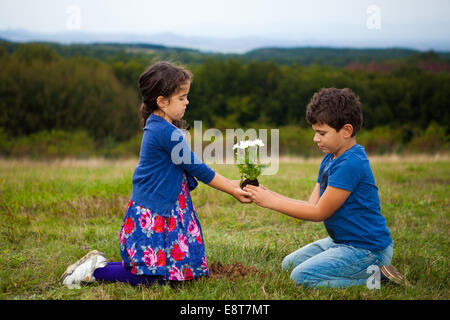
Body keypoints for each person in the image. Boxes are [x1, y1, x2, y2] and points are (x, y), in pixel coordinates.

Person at [60, 61, 251, 289]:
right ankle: (96, 270)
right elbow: (197, 168)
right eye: (182, 98)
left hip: (167, 207)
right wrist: (231, 189)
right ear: (161, 101)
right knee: (151, 278)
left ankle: (105, 267)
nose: (187, 102)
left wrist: (232, 182)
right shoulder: (165, 131)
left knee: (175, 275)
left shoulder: (161, 124)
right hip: (153, 212)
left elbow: (194, 165)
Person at [244, 88, 409, 288]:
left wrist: (271, 202)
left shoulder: (351, 164)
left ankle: (378, 279)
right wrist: (268, 193)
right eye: (315, 132)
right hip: (340, 242)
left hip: (367, 249)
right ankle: (366, 272)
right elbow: (312, 204)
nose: (315, 138)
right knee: (288, 265)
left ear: (347, 131)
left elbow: (319, 212)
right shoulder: (330, 158)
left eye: (322, 133)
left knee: (301, 277)